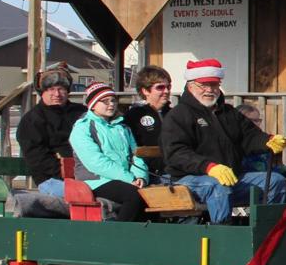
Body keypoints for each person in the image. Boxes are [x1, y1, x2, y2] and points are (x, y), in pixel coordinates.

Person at [160, 58, 286, 224]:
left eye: (214, 85)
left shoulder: (228, 113)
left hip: (231, 178)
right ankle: (223, 235)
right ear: (191, 86)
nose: (209, 90)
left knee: (274, 181)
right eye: (203, 85)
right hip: (188, 180)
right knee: (217, 186)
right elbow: (176, 153)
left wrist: (268, 140)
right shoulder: (178, 115)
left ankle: (268, 231)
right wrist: (209, 167)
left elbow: (249, 136)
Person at [67, 82, 148, 222]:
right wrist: (129, 179)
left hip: (125, 178)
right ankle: (118, 235)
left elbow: (136, 154)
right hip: (95, 180)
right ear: (92, 104)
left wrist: (140, 176)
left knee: (154, 195)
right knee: (133, 196)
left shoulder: (122, 127)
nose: (111, 104)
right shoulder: (83, 128)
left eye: (113, 100)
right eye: (105, 101)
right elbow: (96, 162)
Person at [16, 63, 86, 197]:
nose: (57, 94)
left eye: (61, 89)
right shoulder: (32, 120)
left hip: (88, 173)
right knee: (81, 195)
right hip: (52, 179)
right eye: (51, 89)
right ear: (43, 92)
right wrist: (68, 173)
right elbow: (37, 158)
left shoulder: (82, 113)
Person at [123, 64, 174, 183]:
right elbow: (132, 150)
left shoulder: (174, 114)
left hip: (177, 170)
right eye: (160, 87)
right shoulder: (134, 115)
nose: (166, 91)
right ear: (145, 90)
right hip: (150, 174)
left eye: (168, 87)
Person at [235, 104, 286, 179]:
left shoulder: (261, 138)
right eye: (254, 120)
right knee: (277, 179)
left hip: (263, 179)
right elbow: (255, 169)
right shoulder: (234, 139)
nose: (257, 124)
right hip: (242, 179)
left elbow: (266, 168)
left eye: (258, 120)